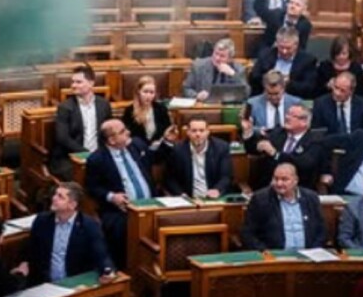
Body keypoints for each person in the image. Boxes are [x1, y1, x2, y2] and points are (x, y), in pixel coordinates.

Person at [86, 119, 170, 268]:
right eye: (123, 131)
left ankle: (162, 266)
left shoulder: (136, 145)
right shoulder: (97, 159)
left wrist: (167, 141)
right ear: (112, 140)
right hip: (121, 211)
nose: (128, 133)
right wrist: (112, 197)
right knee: (121, 230)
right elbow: (92, 187)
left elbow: (154, 158)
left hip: (151, 204)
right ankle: (128, 270)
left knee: (172, 222)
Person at [24, 183, 115, 285]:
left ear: (72, 205)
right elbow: (30, 250)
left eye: (60, 197)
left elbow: (101, 255)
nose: (54, 198)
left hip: (74, 283)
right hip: (44, 283)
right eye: (55, 194)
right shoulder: (42, 221)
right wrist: (24, 263)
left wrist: (108, 271)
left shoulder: (89, 226)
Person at [240, 163, 326, 251]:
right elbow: (248, 234)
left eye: (284, 179)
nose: (279, 183)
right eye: (275, 179)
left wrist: (314, 251)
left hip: (308, 257)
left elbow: (321, 231)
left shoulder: (311, 198)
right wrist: (265, 253)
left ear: (295, 180)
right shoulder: (260, 200)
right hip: (274, 258)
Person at [243, 103, 326, 191]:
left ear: (304, 122)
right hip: (268, 188)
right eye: (287, 114)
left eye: (293, 116)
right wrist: (248, 132)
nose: (287, 117)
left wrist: (276, 154)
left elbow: (304, 164)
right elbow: (253, 149)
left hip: (300, 190)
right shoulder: (277, 133)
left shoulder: (314, 141)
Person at [51, 64, 114, 179]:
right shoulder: (65, 107)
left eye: (78, 82)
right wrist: (87, 154)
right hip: (70, 157)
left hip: (99, 154)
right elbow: (62, 138)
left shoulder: (104, 104)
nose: (73, 85)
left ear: (91, 83)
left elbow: (109, 132)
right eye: (73, 82)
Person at [162, 118, 232, 199]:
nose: (198, 134)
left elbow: (226, 176)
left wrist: (217, 190)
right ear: (188, 132)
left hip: (213, 198)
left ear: (208, 132)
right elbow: (170, 178)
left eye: (202, 130)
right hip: (188, 199)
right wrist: (180, 194)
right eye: (194, 131)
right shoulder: (177, 150)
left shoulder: (221, 148)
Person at [250, 28, 318, 99]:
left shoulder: (307, 60)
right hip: (266, 98)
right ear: (277, 43)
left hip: (294, 99)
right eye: (281, 47)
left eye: (288, 48)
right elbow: (254, 78)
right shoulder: (266, 55)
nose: (284, 51)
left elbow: (309, 87)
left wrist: (288, 83)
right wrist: (267, 78)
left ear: (296, 45)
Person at [181, 38, 248, 101]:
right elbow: (186, 88)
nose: (217, 58)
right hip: (204, 108)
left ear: (230, 59)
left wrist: (232, 74)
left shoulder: (238, 69)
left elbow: (246, 93)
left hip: (227, 108)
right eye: (216, 53)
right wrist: (197, 95)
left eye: (222, 56)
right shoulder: (198, 66)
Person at [311, 72, 363, 136]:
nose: (337, 93)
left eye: (342, 90)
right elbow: (317, 133)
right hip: (330, 143)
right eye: (336, 87)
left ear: (351, 91)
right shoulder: (321, 104)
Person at [245, 70, 303, 135]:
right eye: (269, 93)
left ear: (283, 89)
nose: (273, 97)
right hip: (262, 139)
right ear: (264, 89)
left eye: (276, 94)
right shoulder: (251, 103)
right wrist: (259, 131)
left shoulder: (296, 103)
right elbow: (246, 126)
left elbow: (302, 126)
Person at [121, 76, 171, 145]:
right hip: (138, 149)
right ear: (138, 92)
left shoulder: (161, 109)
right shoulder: (130, 110)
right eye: (145, 92)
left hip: (158, 149)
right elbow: (127, 134)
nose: (148, 96)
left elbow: (167, 130)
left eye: (151, 92)